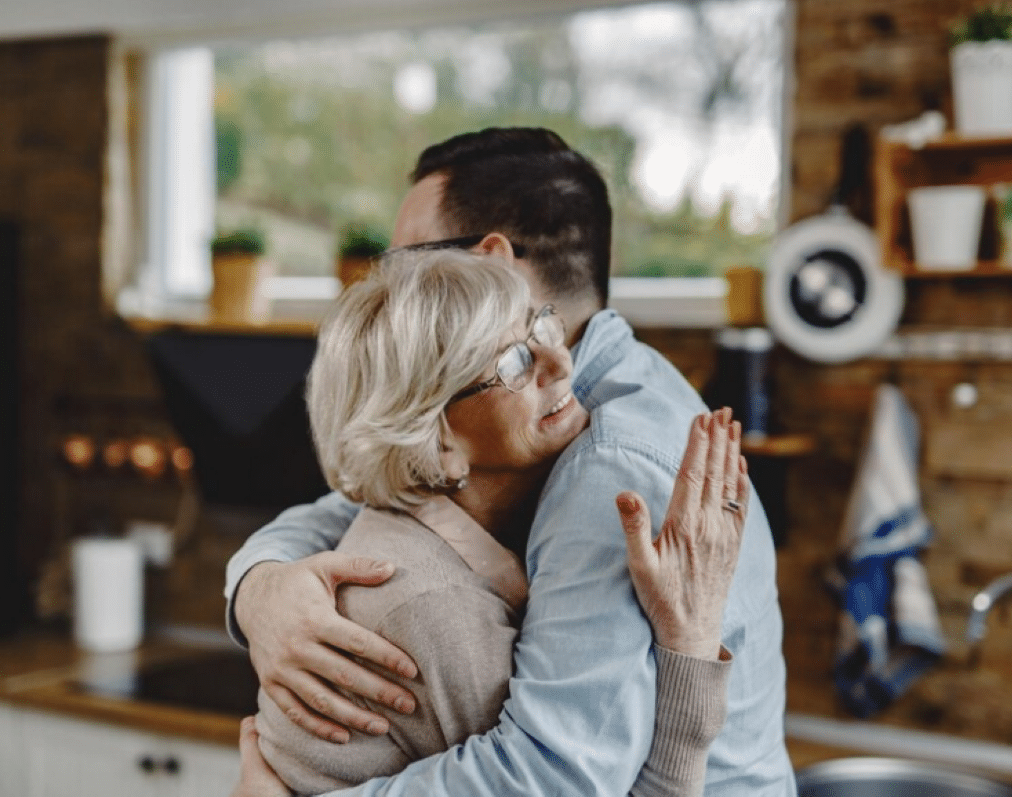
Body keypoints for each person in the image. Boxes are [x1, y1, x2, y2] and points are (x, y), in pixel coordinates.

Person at [225, 127, 795, 796]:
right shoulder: (528, 426)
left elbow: (553, 778)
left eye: (410, 260)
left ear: (491, 261)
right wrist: (259, 588)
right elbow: (366, 503)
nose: (397, 288)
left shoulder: (607, 468)